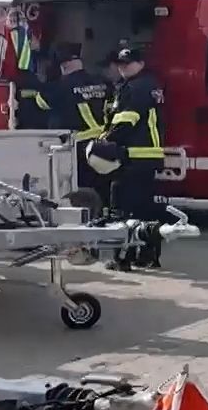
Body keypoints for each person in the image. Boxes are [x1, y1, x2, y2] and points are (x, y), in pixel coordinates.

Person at [105, 46, 168, 269]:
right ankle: (149, 255)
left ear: (141, 63)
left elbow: (125, 121)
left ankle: (123, 258)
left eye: (128, 64)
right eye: (120, 64)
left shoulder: (133, 88)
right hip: (149, 157)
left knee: (122, 209)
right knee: (146, 210)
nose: (123, 68)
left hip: (132, 157)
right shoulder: (152, 85)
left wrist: (106, 139)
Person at [45, 42, 112, 204]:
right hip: (106, 144)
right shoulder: (104, 82)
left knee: (83, 193)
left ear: (64, 66)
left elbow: (42, 102)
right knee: (105, 188)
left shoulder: (62, 86)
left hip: (79, 147)